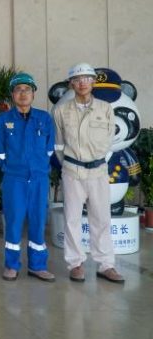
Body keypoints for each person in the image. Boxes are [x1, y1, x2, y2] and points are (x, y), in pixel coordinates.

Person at [53, 63, 124, 283]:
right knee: (72, 220)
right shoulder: (61, 110)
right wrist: (71, 164)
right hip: (72, 171)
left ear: (93, 82)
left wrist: (94, 160)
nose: (82, 83)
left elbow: (109, 141)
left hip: (98, 172)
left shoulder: (105, 108)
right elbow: (59, 145)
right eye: (77, 79)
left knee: (101, 218)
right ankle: (75, 264)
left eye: (86, 78)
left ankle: (106, 265)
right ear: (71, 84)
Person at [0, 73, 55, 282]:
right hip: (14, 181)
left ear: (33, 94)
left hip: (39, 180)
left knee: (38, 221)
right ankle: (11, 265)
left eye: (27, 89)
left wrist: (37, 168)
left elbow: (49, 150)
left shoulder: (44, 118)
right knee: (14, 222)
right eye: (18, 90)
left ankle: (37, 266)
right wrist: (12, 168)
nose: (23, 93)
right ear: (12, 95)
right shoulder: (4, 120)